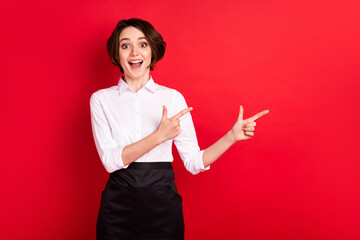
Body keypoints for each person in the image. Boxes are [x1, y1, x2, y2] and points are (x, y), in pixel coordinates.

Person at [90, 18, 269, 240]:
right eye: (125, 45)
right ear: (117, 55)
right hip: (117, 206)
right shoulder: (101, 100)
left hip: (162, 206)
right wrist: (159, 137)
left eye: (143, 44)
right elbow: (109, 160)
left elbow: (194, 162)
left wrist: (231, 137)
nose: (134, 52)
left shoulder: (172, 98)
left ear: (152, 51)